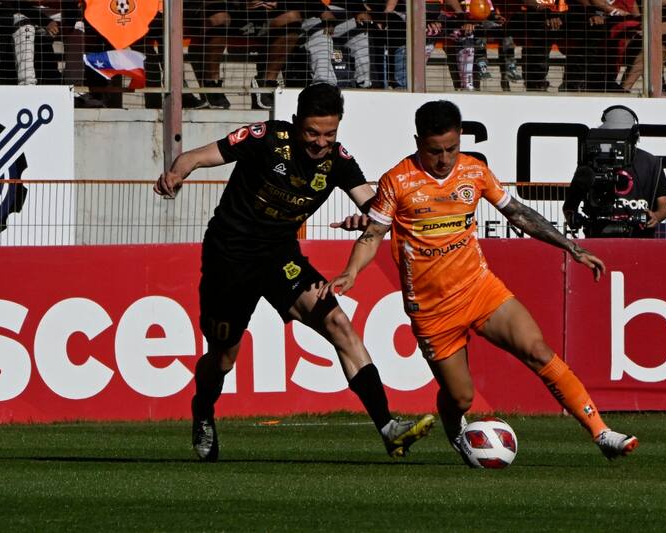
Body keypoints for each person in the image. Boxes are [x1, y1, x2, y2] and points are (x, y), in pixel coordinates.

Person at [320, 100, 639, 465]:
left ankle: (602, 433)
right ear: (417, 141)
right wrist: (351, 271)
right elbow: (373, 235)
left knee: (537, 350)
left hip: (479, 288)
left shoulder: (474, 171)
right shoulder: (399, 180)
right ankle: (456, 431)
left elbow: (517, 213)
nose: (444, 159)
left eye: (451, 149)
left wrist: (570, 247)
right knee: (460, 398)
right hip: (432, 311)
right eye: (434, 151)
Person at [153, 82, 434, 462]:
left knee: (338, 324)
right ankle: (203, 410)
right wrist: (175, 175)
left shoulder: (339, 160)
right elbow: (197, 156)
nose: (320, 143)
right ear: (297, 122)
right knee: (222, 358)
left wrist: (367, 218)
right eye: (313, 133)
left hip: (279, 257)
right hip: (229, 257)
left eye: (330, 134)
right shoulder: (265, 138)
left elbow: (373, 206)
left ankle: (388, 428)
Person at [563, 105, 666, 238]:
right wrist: (573, 217)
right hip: (598, 237)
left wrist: (656, 216)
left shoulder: (652, 162)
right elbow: (569, 205)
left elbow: (664, 206)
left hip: (639, 237)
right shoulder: (590, 160)